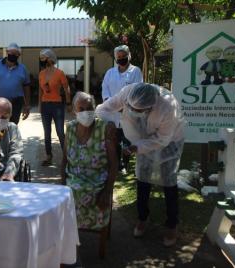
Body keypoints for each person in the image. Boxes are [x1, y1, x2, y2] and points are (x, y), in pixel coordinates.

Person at [95, 83, 185, 247]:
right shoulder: (128, 93)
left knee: (169, 182)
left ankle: (172, 224)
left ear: (150, 108)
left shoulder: (167, 107)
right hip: (140, 137)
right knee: (143, 178)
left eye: (138, 111)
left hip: (170, 140)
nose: (132, 112)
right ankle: (142, 218)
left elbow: (162, 139)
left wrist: (138, 147)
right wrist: (112, 124)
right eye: (130, 108)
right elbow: (102, 110)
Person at [62, 91, 118, 230]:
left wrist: (107, 191)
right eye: (81, 109)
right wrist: (62, 183)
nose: (86, 112)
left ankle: (80, 227)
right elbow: (64, 159)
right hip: (74, 178)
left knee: (86, 193)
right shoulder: (70, 128)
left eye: (89, 108)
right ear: (74, 110)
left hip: (97, 180)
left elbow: (114, 163)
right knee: (65, 195)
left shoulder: (104, 129)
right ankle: (69, 232)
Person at [101, 45, 143, 174]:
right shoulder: (110, 72)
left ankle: (125, 163)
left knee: (127, 138)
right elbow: (105, 88)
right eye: (118, 57)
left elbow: (138, 90)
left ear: (128, 56)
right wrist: (110, 102)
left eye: (123, 56)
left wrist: (125, 106)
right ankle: (116, 163)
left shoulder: (135, 71)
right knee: (114, 138)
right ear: (115, 58)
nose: (121, 59)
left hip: (128, 110)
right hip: (112, 111)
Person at [38, 49, 71, 166]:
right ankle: (48, 156)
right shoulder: (41, 74)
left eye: (43, 58)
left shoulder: (59, 73)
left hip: (57, 105)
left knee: (60, 132)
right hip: (45, 105)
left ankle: (67, 158)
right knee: (47, 133)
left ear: (50, 59)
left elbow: (66, 88)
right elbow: (40, 91)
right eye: (41, 58)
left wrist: (68, 103)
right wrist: (39, 105)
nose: (41, 60)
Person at [0, 43, 31, 124]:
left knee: (12, 126)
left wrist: (27, 106)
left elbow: (26, 88)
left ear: (19, 55)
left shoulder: (22, 68)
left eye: (16, 54)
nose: (13, 55)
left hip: (16, 104)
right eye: (11, 53)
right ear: (7, 52)